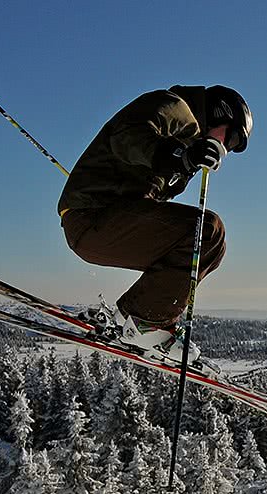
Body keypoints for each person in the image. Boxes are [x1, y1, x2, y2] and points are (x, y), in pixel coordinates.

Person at [57, 84, 251, 349]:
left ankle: (135, 317)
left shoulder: (188, 141)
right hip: (94, 216)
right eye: (232, 139)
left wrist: (184, 159)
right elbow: (127, 135)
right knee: (208, 231)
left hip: (102, 221)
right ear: (220, 113)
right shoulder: (175, 107)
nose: (227, 148)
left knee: (210, 246)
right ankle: (146, 322)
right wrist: (180, 156)